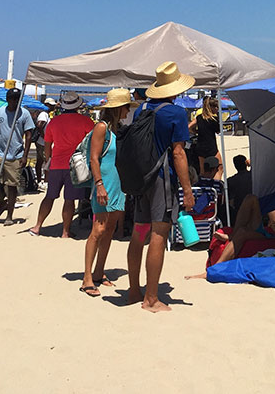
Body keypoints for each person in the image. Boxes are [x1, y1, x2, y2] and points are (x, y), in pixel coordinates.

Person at [127, 61, 196, 313]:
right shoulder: (176, 113)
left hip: (140, 177)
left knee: (138, 232)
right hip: (161, 178)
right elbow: (178, 154)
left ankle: (134, 290)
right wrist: (187, 190)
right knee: (159, 233)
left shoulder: (141, 109)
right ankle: (152, 298)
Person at [80, 88, 130, 297]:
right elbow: (94, 158)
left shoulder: (117, 128)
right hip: (105, 184)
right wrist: (99, 184)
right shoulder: (101, 128)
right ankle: (87, 278)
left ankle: (99, 272)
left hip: (117, 185)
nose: (129, 110)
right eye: (127, 106)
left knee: (109, 228)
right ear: (119, 108)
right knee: (98, 230)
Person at [30, 91, 95, 238]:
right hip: (75, 165)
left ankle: (37, 226)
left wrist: (48, 160)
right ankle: (65, 231)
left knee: (50, 196)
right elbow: (92, 142)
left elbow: (47, 145)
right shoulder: (85, 121)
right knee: (69, 199)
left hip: (56, 164)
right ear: (78, 106)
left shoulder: (54, 122)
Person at [0, 87, 35, 226]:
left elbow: (28, 136)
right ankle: (2, 204)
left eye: (18, 99)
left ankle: (9, 216)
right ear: (8, 99)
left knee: (11, 186)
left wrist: (25, 156)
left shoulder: (25, 114)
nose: (15, 102)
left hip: (15, 155)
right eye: (13, 99)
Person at [188, 97, 221, 178]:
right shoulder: (214, 119)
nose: (217, 108)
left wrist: (196, 132)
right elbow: (218, 131)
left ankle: (203, 185)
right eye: (216, 107)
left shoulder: (199, 117)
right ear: (211, 107)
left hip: (200, 145)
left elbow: (188, 127)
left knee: (203, 171)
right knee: (219, 167)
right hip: (211, 145)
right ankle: (216, 185)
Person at [226, 154, 252, 224]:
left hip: (239, 212)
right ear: (246, 163)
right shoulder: (253, 176)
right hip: (255, 209)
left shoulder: (230, 181)